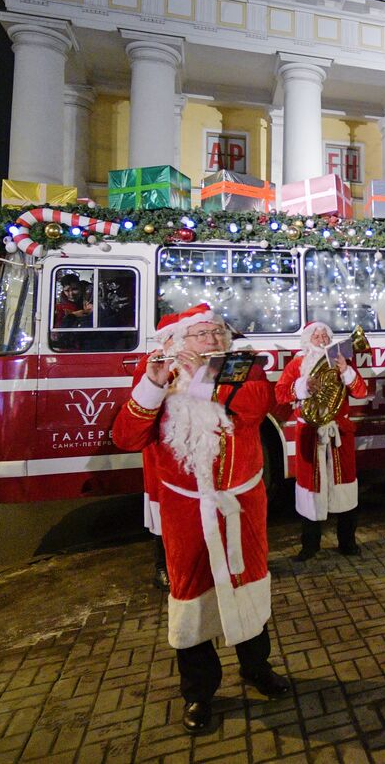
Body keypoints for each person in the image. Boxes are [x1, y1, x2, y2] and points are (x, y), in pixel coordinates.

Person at [110, 303, 290, 734]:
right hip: (185, 509)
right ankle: (199, 692)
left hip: (241, 505)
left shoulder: (243, 368)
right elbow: (126, 437)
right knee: (191, 598)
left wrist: (206, 379)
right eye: (201, 333)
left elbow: (253, 407)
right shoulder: (158, 376)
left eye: (217, 333)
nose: (212, 340)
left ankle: (256, 667)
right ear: (176, 342)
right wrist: (152, 386)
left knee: (249, 586)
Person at [275, 321, 369, 560]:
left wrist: (346, 371)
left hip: (339, 432)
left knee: (345, 487)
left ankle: (347, 542)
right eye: (316, 335)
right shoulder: (297, 364)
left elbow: (361, 392)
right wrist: (302, 386)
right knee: (310, 490)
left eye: (325, 334)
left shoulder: (341, 362)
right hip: (310, 433)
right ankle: (310, 545)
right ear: (308, 339)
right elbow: (280, 393)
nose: (322, 339)